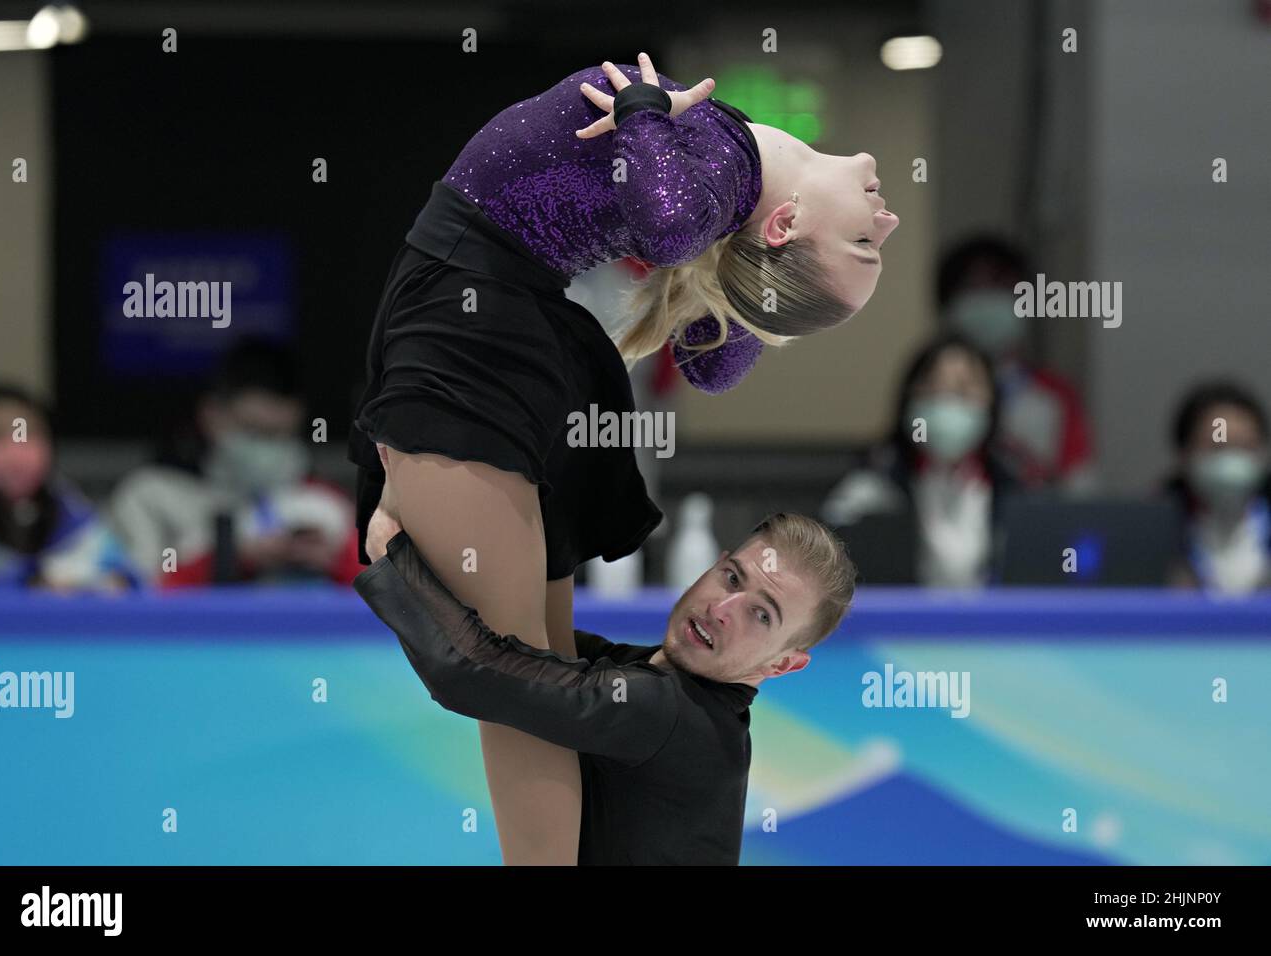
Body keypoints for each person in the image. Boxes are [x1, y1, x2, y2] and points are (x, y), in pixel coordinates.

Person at [348, 53, 899, 865]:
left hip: (486, 320)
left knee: (527, 687)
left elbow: (668, 228)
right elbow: (712, 359)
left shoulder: (721, 173)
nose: (884, 222)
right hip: (519, 323)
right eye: (871, 242)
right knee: (543, 669)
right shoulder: (729, 178)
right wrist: (749, 271)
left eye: (862, 240)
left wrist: (643, 110)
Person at [356, 509, 855, 865]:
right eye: (730, 577)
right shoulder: (660, 684)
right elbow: (513, 644)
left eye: (761, 614)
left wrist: (389, 551)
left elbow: (470, 672)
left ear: (785, 664)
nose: (721, 610)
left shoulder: (667, 715)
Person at [108, 338, 361, 587]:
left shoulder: (325, 504)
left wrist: (335, 563)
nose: (268, 450)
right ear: (212, 415)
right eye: (254, 432)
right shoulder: (150, 497)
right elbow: (138, 597)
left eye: (281, 435)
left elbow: (376, 592)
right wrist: (234, 557)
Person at [821, 334, 1019, 588]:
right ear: (909, 401)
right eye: (933, 389)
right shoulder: (873, 487)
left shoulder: (1013, 489)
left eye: (964, 390)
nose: (948, 403)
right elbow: (826, 566)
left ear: (992, 402)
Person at [936, 235, 1095, 491]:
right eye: (972, 287)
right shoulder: (929, 393)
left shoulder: (1057, 396)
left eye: (998, 284)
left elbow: (1079, 485)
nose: (986, 298)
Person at [0, 383, 141, 592]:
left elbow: (125, 578)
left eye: (29, 433)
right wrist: (31, 583)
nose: (14, 450)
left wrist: (103, 583)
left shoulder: (66, 507)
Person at [1160, 381, 1271, 594]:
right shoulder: (1154, 533)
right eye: (1218, 448)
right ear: (1185, 455)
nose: (1231, 462)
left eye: (1244, 448)